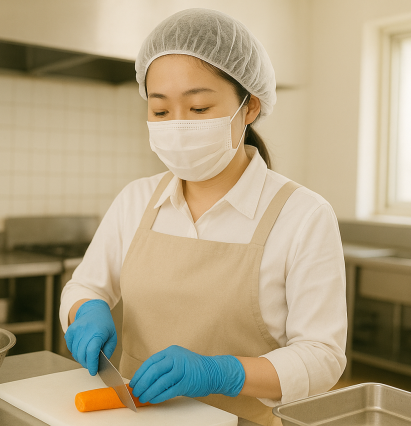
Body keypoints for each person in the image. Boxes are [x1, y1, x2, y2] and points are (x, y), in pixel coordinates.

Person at [59, 8, 347, 426]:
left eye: (198, 108)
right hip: (136, 420)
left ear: (249, 107)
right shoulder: (136, 199)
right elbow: (85, 285)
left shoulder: (303, 216)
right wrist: (85, 309)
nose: (177, 126)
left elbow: (322, 357)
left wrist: (223, 373)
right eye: (160, 112)